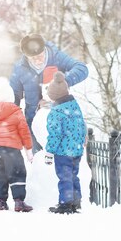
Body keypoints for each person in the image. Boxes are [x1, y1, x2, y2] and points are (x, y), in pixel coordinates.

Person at [10, 33, 88, 153]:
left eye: (40, 56)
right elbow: (14, 95)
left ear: (45, 50)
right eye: (33, 58)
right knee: (40, 161)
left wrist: (62, 82)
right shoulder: (20, 68)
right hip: (34, 121)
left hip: (60, 116)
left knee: (62, 158)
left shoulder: (56, 57)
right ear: (26, 56)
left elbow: (82, 68)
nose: (38, 60)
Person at [0, 77, 34, 212]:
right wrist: (28, 148)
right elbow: (24, 131)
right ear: (10, 96)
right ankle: (19, 202)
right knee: (17, 173)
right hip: (12, 149)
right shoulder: (16, 111)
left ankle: (0, 202)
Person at [44, 71, 87, 214]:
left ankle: (65, 203)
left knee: (64, 177)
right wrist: (81, 142)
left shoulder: (55, 113)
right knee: (73, 175)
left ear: (54, 96)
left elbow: (55, 134)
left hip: (63, 152)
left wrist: (49, 151)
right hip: (76, 150)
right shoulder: (74, 106)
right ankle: (76, 200)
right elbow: (81, 126)